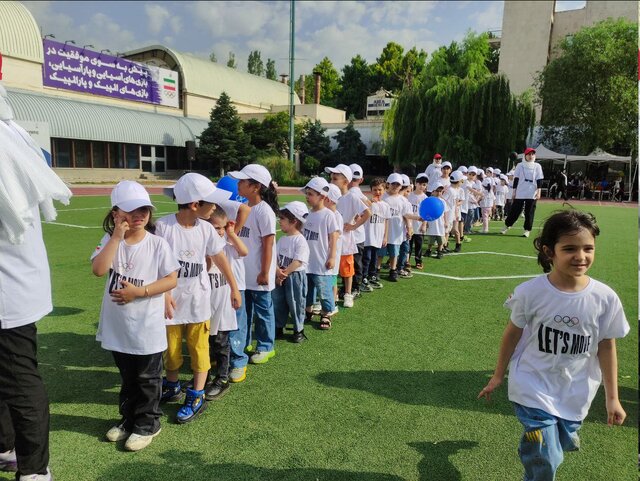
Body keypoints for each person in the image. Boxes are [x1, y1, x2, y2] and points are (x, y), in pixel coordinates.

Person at [478, 210, 629, 481]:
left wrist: (613, 398)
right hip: (532, 385)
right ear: (549, 251)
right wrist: (499, 375)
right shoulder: (530, 292)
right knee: (543, 452)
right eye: (570, 248)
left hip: (575, 390)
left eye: (588, 248)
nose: (581, 256)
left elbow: (607, 346)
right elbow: (512, 333)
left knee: (556, 443)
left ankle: (562, 438)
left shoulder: (605, 298)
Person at [0, 77, 72, 480]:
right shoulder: (11, 132)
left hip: (6, 288)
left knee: (18, 377)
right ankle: (7, 448)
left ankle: (34, 470)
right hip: (16, 280)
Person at [91, 181, 179, 451]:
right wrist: (116, 238)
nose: (139, 215)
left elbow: (171, 280)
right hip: (118, 325)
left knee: (147, 377)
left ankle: (148, 423)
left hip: (146, 325)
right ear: (116, 213)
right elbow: (98, 269)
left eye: (144, 209)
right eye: (131, 210)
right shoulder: (110, 240)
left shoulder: (157, 244)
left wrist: (140, 292)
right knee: (128, 376)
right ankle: (129, 420)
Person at [156, 173, 240, 424]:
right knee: (171, 352)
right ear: (195, 205)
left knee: (199, 349)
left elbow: (220, 258)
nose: (215, 207)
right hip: (171, 304)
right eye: (210, 202)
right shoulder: (164, 227)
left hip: (198, 303)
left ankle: (196, 394)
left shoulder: (206, 228)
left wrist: (234, 288)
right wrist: (164, 294)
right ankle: (172, 386)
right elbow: (156, 263)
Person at [228, 164, 279, 365]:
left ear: (255, 186)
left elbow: (268, 244)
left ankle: (266, 346)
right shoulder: (246, 208)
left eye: (242, 181)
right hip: (243, 273)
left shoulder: (265, 211)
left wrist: (265, 272)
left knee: (263, 310)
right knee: (246, 310)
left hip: (259, 273)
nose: (238, 184)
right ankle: (246, 342)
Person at [205, 207, 247, 400]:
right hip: (205, 303)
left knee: (221, 342)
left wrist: (230, 233)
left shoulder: (225, 245)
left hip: (222, 303)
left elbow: (243, 251)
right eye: (216, 228)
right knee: (204, 342)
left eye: (222, 227)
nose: (220, 232)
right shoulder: (200, 245)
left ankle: (222, 378)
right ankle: (204, 377)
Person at [325, 164, 370, 308]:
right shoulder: (329, 196)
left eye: (335, 178)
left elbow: (367, 213)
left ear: (345, 182)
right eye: (331, 178)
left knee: (347, 269)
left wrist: (353, 226)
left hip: (345, 239)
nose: (331, 181)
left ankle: (348, 294)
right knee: (331, 269)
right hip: (330, 239)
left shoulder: (351, 197)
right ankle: (333, 293)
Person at [301, 177, 339, 330]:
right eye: (307, 194)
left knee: (324, 290)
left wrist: (331, 256)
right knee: (307, 288)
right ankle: (308, 310)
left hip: (321, 261)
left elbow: (334, 236)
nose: (307, 197)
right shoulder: (307, 214)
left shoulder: (328, 215)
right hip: (307, 261)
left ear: (322, 196)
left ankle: (326, 313)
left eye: (310, 194)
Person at [272, 201, 310, 343]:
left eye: (282, 219)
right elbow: (275, 257)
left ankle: (298, 329)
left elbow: (298, 261)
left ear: (294, 221)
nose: (279, 222)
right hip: (281, 276)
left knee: (296, 303)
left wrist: (284, 273)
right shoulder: (282, 239)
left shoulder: (300, 240)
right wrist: (278, 272)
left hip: (294, 276)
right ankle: (278, 326)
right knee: (278, 302)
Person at [501, 148, 544, 238]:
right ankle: (507, 225)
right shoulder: (520, 165)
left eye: (532, 154)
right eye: (529, 154)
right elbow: (516, 179)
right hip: (520, 190)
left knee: (529, 211)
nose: (531, 156)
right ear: (525, 156)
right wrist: (514, 191)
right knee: (515, 210)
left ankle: (527, 230)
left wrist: (539, 191)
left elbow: (539, 179)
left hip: (532, 191)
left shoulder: (537, 166)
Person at [362, 178, 389, 289]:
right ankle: (363, 277)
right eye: (375, 190)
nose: (377, 192)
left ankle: (372, 276)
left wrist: (385, 236)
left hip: (378, 237)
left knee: (374, 258)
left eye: (380, 190)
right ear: (371, 191)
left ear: (384, 190)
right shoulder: (368, 203)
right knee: (366, 258)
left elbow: (386, 221)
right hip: (368, 236)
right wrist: (370, 203)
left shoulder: (386, 205)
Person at [423, 181, 449, 259]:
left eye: (440, 191)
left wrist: (446, 221)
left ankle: (439, 251)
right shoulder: (429, 200)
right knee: (431, 238)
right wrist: (426, 222)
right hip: (432, 222)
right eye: (437, 191)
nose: (438, 193)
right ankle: (429, 250)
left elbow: (445, 212)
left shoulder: (443, 202)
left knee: (440, 238)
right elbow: (426, 212)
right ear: (433, 191)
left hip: (440, 223)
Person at [408, 174, 428, 269]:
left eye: (424, 185)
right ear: (416, 183)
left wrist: (424, 225)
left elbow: (427, 214)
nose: (421, 186)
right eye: (420, 184)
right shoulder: (409, 196)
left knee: (419, 245)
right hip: (409, 225)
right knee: (408, 245)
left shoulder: (425, 198)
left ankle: (418, 261)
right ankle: (406, 261)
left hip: (419, 226)